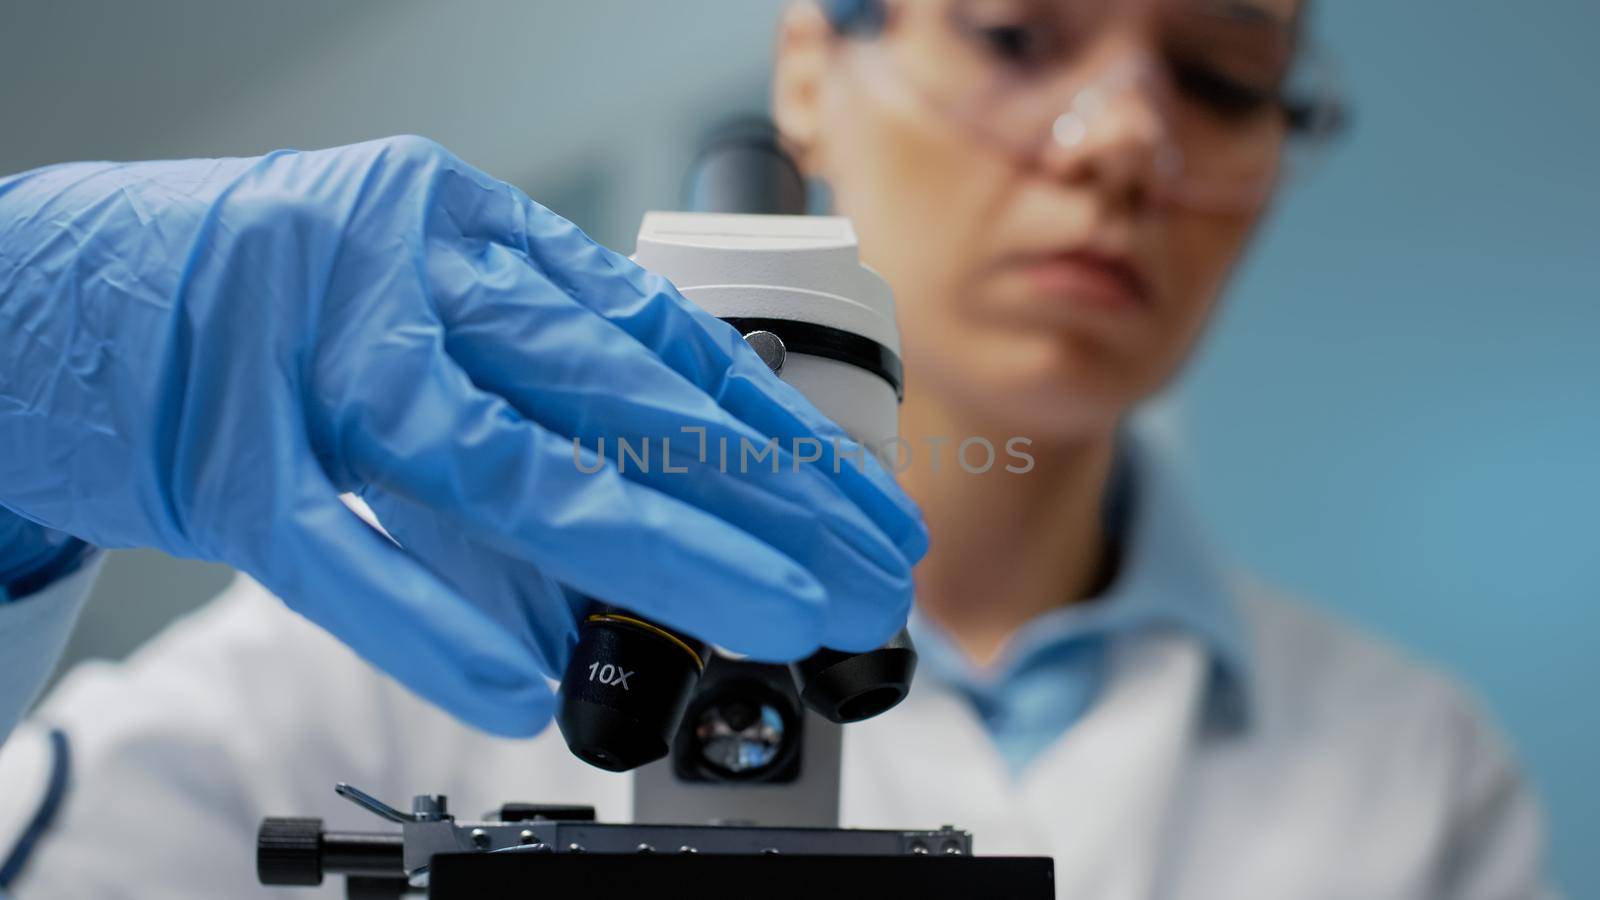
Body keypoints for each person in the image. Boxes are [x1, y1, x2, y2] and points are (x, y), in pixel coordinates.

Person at [0, 0, 1555, 897]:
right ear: (808, 66)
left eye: (1219, 72)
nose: (1122, 145)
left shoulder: (1420, 776)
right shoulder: (359, 638)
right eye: (1018, 29)